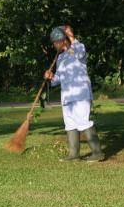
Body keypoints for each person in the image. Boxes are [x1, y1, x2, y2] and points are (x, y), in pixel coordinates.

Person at [44, 25, 105, 162]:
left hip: (80, 95)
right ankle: (74, 154)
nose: (54, 45)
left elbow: (78, 52)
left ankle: (98, 153)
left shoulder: (78, 48)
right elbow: (59, 79)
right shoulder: (60, 58)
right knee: (70, 124)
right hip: (67, 97)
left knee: (84, 122)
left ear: (62, 40)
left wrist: (71, 36)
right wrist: (51, 76)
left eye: (55, 42)